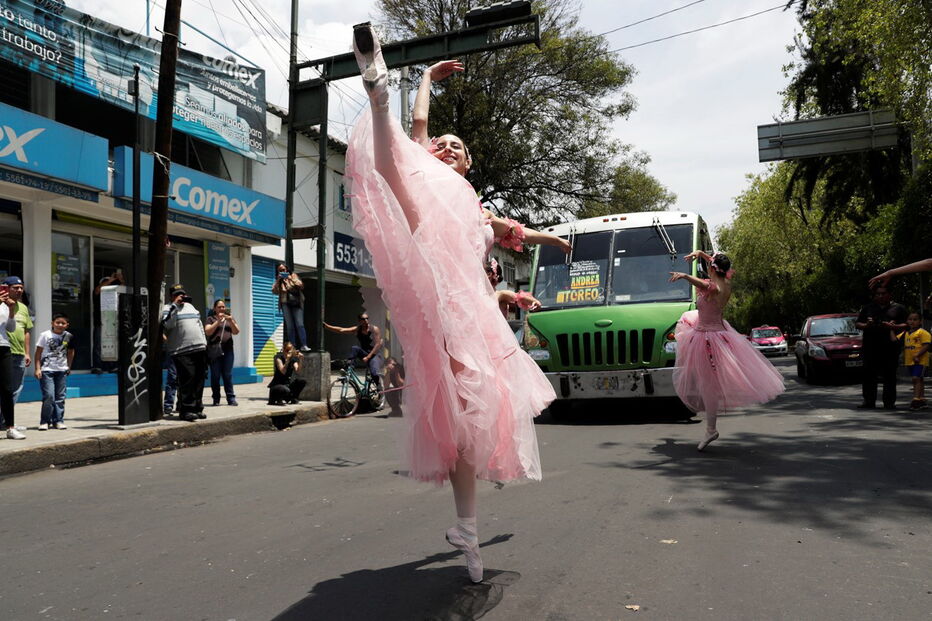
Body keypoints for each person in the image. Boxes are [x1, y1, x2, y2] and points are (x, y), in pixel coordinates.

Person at [346, 23, 566, 583]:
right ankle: (378, 92)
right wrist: (422, 80)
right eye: (442, 143)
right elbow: (419, 131)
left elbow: (513, 235)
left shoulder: (473, 205)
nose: (447, 146)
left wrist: (529, 266)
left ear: (467, 166)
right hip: (426, 261)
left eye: (457, 147)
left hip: (467, 306)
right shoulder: (429, 172)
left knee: (468, 419)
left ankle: (466, 530)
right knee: (392, 162)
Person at [669, 251, 785, 450]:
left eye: (709, 265)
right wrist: (702, 254)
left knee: (707, 386)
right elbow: (715, 265)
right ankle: (710, 428)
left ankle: (711, 429)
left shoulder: (712, 287)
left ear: (712, 269)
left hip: (707, 337)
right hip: (715, 332)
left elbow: (703, 284)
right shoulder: (726, 283)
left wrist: (685, 275)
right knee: (707, 383)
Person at [855, 285, 908, 410]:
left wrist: (894, 327)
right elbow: (858, 324)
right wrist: (867, 325)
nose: (880, 296)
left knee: (889, 375)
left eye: (883, 293)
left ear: (889, 295)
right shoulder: (868, 308)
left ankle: (889, 402)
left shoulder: (899, 308)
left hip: (890, 347)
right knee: (869, 375)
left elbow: (907, 324)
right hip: (871, 346)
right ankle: (869, 401)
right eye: (877, 294)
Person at [161, 284, 208, 422]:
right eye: (177, 294)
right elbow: (167, 325)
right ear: (171, 296)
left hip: (199, 348)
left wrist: (204, 343)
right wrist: (174, 306)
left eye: (182, 294)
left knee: (199, 380)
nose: (181, 296)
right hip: (181, 350)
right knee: (187, 379)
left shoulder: (191, 307)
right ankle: (186, 410)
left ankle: (197, 408)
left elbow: (199, 324)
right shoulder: (167, 308)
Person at [33, 313, 75, 430]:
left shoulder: (69, 336)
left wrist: (68, 367)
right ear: (52, 323)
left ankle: (58, 420)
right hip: (47, 370)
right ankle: (45, 421)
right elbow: (38, 352)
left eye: (63, 323)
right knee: (49, 396)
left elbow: (71, 352)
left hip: (61, 371)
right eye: (57, 322)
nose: (60, 325)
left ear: (67, 325)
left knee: (60, 397)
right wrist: (37, 368)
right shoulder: (45, 335)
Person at [323, 314, 384, 388]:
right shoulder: (358, 329)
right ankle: (349, 368)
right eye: (363, 319)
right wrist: (327, 326)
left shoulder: (374, 329)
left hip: (375, 355)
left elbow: (377, 345)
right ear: (359, 321)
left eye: (367, 318)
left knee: (374, 374)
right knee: (355, 348)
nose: (366, 320)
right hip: (364, 353)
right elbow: (341, 330)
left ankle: (380, 390)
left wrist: (368, 357)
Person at [205, 299, 240, 407]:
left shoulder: (229, 318)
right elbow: (208, 331)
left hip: (228, 350)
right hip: (215, 351)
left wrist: (230, 321)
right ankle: (216, 399)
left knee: (227, 375)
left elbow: (236, 331)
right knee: (215, 376)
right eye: (219, 307)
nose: (222, 309)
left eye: (223, 307)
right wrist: (218, 322)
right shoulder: (210, 319)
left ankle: (231, 398)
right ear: (215, 308)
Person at [4, 276, 33, 405]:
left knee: (16, 388)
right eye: (15, 288)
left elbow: (26, 331)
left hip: (19, 354)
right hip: (4, 352)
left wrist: (27, 353)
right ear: (7, 289)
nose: (19, 290)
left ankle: (6, 421)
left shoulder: (23, 308)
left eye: (21, 288)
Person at [272, 264, 310, 352]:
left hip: (296, 303)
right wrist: (278, 280)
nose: (282, 272)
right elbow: (274, 291)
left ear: (287, 269)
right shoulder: (279, 281)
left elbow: (301, 285)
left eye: (283, 269)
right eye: (280, 270)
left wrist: (289, 278)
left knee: (300, 324)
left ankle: (304, 345)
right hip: (285, 303)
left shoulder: (293, 276)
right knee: (290, 326)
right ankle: (292, 346)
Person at [93, 270, 123, 373]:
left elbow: (124, 289)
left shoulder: (114, 295)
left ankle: (113, 366)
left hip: (114, 322)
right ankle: (97, 366)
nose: (109, 285)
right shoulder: (98, 294)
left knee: (113, 344)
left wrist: (120, 279)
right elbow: (97, 290)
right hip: (101, 322)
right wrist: (110, 280)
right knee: (98, 345)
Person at [897, 312, 930, 411]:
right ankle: (922, 400)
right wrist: (891, 328)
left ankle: (915, 400)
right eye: (910, 319)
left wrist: (918, 354)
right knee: (919, 379)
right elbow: (895, 339)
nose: (912, 321)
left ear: (920, 321)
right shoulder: (905, 333)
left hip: (920, 360)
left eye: (915, 319)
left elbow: (926, 345)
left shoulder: (922, 332)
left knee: (916, 378)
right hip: (909, 361)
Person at [0, 285, 20, 439]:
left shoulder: (5, 306)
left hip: (4, 347)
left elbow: (11, 329)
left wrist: (11, 310)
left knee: (7, 389)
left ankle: (10, 427)